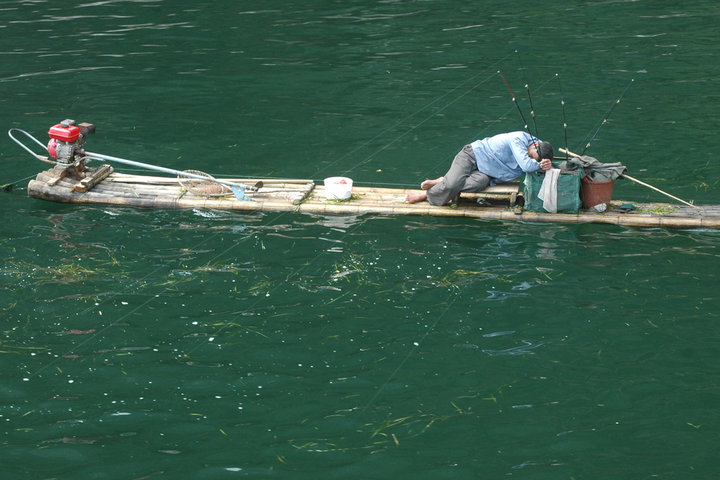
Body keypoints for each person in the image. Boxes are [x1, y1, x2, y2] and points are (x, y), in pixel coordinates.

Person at [406, 131, 554, 205]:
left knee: (478, 183)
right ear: (534, 146)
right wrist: (537, 165)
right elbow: (526, 165)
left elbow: (539, 164)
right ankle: (428, 195)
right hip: (472, 155)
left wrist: (545, 165)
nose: (530, 158)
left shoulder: (540, 149)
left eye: (535, 160)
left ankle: (442, 181)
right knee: (452, 185)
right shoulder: (519, 138)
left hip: (486, 172)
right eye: (531, 155)